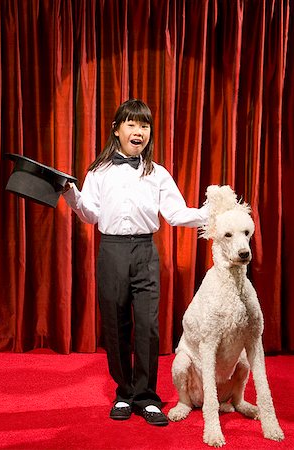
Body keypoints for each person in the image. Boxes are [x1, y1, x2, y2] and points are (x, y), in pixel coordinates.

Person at [63, 99, 208, 426]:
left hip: (145, 251)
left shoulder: (157, 173)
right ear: (116, 130)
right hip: (111, 251)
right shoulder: (98, 171)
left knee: (147, 326)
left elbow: (175, 214)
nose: (138, 130)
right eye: (131, 124)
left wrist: (213, 212)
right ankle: (125, 392)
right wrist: (72, 195)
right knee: (115, 324)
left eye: (144, 125)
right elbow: (90, 214)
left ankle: (146, 397)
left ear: (149, 133)